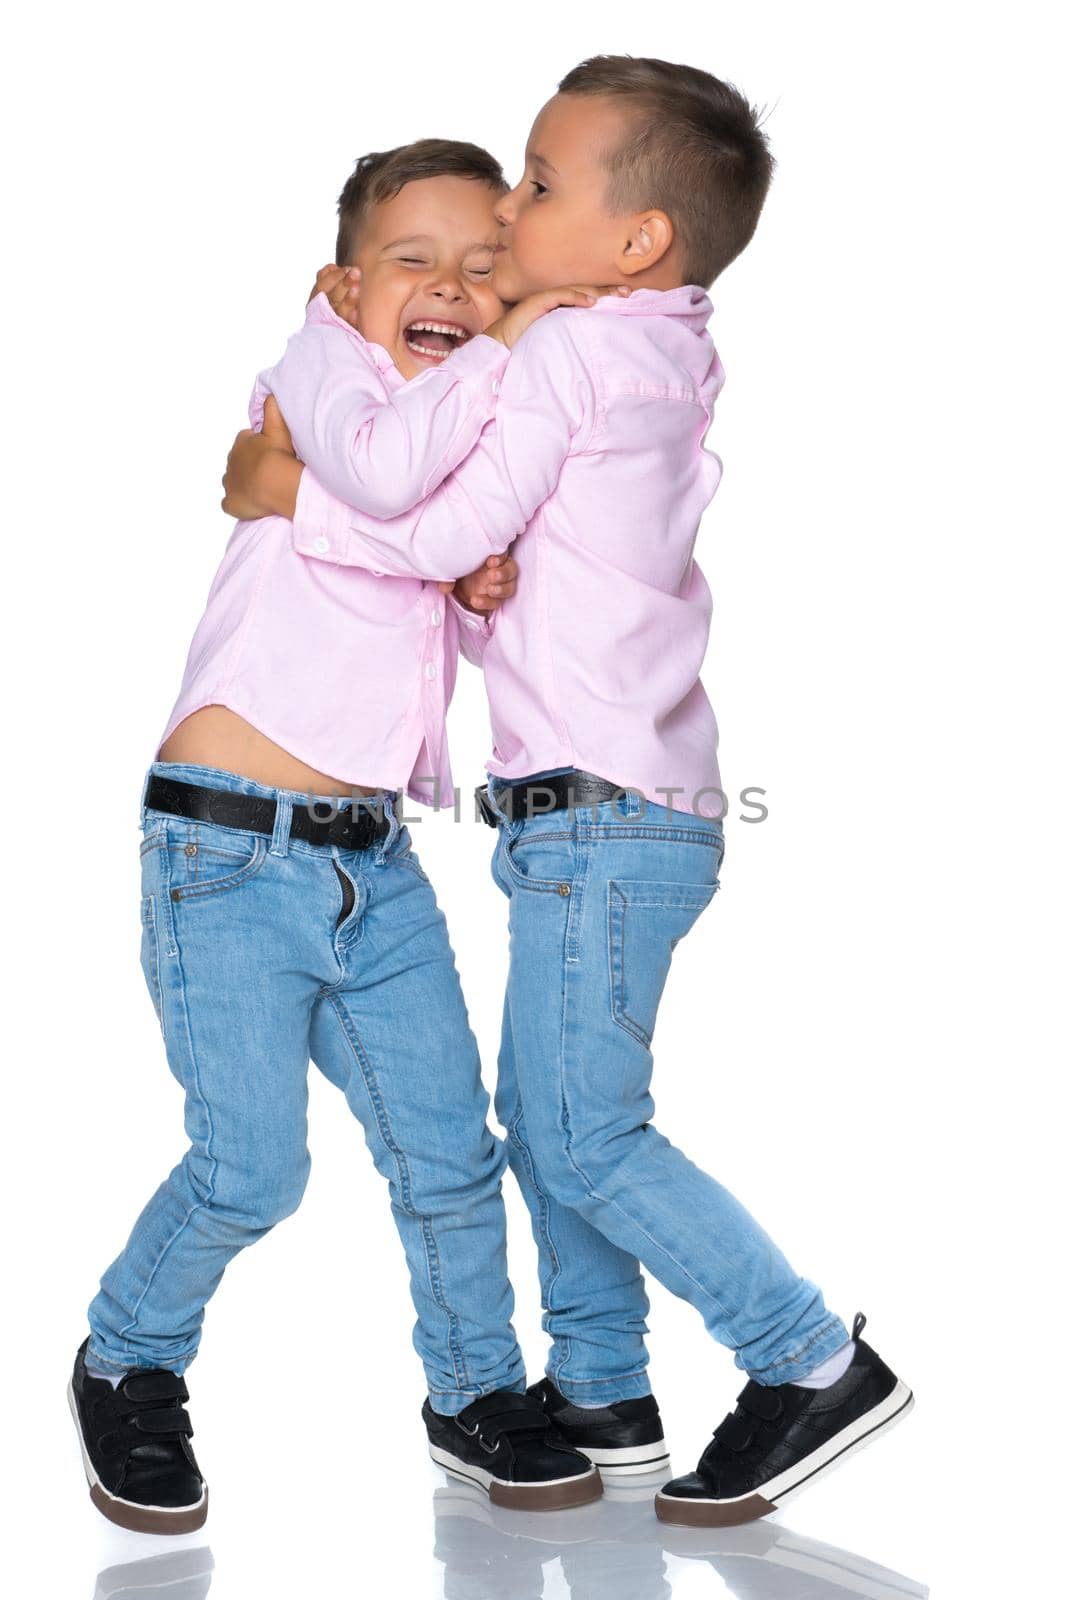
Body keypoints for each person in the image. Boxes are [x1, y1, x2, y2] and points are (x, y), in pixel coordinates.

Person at [224, 57, 914, 1528]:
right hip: (628, 808)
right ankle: (601, 1388)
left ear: (636, 239)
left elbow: (433, 517)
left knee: (581, 1128)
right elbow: (518, 574)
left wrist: (296, 493)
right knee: (553, 1113)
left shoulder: (565, 355)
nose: (510, 211)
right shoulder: (665, 346)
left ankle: (803, 1357)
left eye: (538, 186)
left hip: (599, 817)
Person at [69, 138, 612, 1535]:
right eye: (413, 263)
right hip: (228, 855)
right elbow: (379, 496)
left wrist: (481, 583)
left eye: (488, 270)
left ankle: (476, 1392)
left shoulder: (455, 437)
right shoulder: (315, 377)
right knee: (251, 1168)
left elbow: (457, 612)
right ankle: (127, 1357)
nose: (451, 289)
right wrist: (514, 351)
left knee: (448, 1153)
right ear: (342, 282)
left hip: (372, 862)